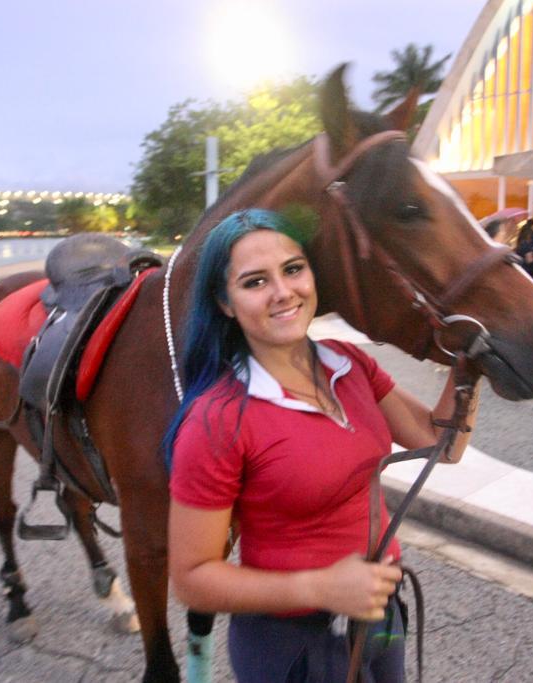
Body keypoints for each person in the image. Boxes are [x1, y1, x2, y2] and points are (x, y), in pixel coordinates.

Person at [165, 210, 481, 682]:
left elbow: (442, 443)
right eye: (255, 282)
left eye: (293, 269)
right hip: (292, 647)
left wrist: (470, 367)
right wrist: (321, 587)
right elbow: (192, 579)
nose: (283, 292)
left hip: (379, 617)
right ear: (225, 303)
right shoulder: (218, 419)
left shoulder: (349, 364)